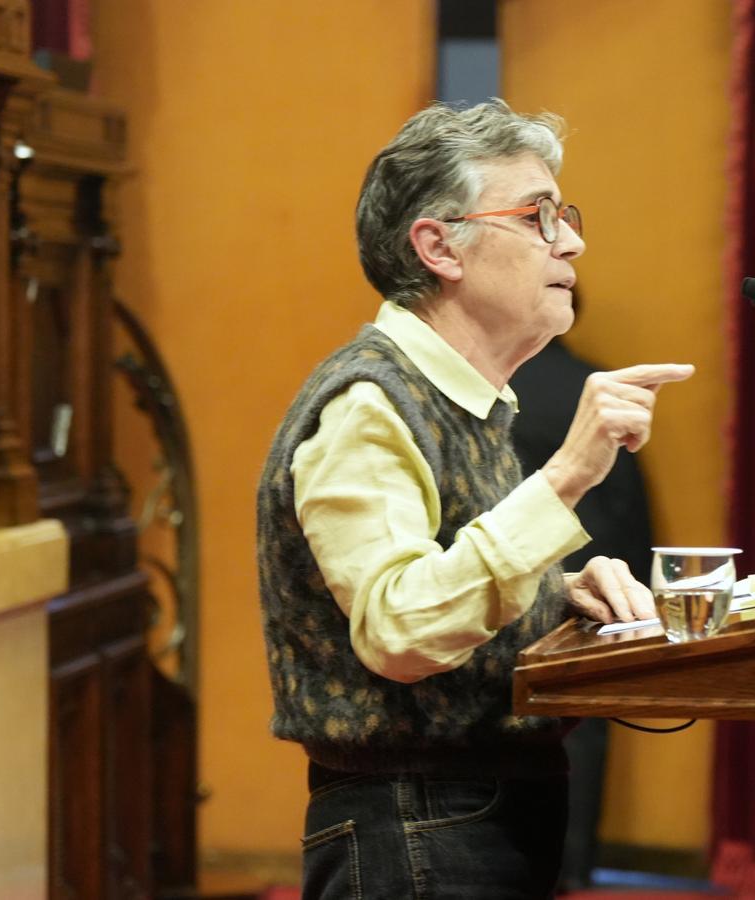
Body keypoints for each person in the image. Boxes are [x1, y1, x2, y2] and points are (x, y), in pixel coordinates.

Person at [256, 99, 692, 899]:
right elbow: (399, 629)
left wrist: (556, 591)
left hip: (468, 814)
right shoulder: (368, 404)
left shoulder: (464, 396)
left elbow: (442, 576)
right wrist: (567, 476)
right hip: (414, 825)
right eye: (537, 216)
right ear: (438, 247)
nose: (571, 241)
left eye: (565, 215)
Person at [508, 289, 656, 891]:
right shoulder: (594, 392)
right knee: (583, 735)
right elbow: (628, 504)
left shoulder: (483, 392)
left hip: (496, 584)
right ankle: (575, 869)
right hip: (596, 589)